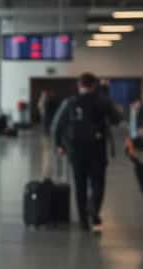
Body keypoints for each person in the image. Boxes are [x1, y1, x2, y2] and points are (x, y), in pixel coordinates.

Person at [51, 73, 121, 231]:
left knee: (80, 185)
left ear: (79, 85)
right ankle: (94, 209)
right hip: (97, 149)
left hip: (76, 150)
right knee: (98, 184)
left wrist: (59, 145)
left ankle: (83, 220)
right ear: (94, 85)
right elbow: (117, 119)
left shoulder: (70, 102)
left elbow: (56, 126)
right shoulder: (103, 101)